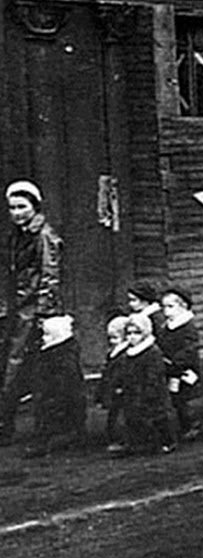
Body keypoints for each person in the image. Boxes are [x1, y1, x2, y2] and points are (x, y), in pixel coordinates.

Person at [0, 180, 63, 446]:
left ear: (35, 207)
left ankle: (8, 424)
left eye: (22, 207)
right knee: (8, 363)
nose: (16, 213)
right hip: (16, 307)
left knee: (19, 365)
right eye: (12, 207)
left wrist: (43, 314)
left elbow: (50, 276)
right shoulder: (17, 234)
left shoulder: (44, 236)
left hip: (32, 310)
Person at [26, 314, 86, 458]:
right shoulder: (53, 354)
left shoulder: (62, 357)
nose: (43, 338)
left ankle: (53, 441)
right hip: (50, 394)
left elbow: (67, 381)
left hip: (57, 396)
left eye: (47, 335)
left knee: (54, 417)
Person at [120, 312, 175, 455]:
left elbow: (155, 374)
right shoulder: (128, 353)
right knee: (135, 416)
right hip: (134, 390)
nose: (132, 337)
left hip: (151, 390)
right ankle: (140, 442)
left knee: (157, 416)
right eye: (129, 333)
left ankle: (166, 441)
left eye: (136, 333)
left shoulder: (152, 352)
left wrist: (150, 389)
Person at [158, 287, 201, 441]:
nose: (166, 311)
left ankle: (191, 424)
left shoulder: (187, 327)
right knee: (175, 396)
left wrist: (177, 361)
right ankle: (184, 424)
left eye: (171, 307)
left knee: (183, 397)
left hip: (184, 367)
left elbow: (190, 348)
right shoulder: (166, 327)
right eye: (164, 307)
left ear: (183, 306)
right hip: (171, 367)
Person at [96, 315, 129, 452]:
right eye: (110, 338)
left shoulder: (125, 354)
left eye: (115, 338)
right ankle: (115, 438)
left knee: (121, 416)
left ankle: (121, 440)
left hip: (120, 389)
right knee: (114, 415)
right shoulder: (113, 353)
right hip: (112, 388)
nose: (112, 341)